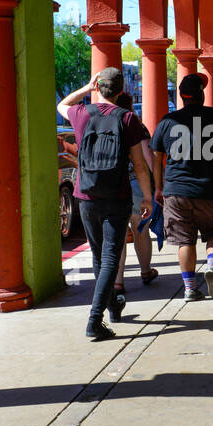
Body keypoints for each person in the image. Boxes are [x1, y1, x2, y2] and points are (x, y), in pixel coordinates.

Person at [57, 68, 152, 341]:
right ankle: (94, 319)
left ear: (99, 87)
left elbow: (62, 104)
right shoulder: (128, 118)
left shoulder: (82, 114)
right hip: (117, 195)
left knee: (101, 256)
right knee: (110, 255)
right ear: (121, 90)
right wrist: (146, 196)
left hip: (85, 196)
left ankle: (112, 306)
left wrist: (87, 88)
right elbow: (139, 166)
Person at [150, 72, 213, 301]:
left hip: (176, 191)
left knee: (184, 240)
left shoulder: (167, 121)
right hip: (211, 189)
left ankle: (190, 288)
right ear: (202, 95)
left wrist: (158, 187)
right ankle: (211, 266)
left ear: (181, 96)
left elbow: (155, 156)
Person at [111, 90, 159, 300]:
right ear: (130, 105)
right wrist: (157, 186)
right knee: (141, 230)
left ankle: (118, 281)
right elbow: (148, 157)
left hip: (115, 185)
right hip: (137, 185)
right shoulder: (137, 125)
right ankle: (146, 271)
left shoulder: (108, 124)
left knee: (119, 235)